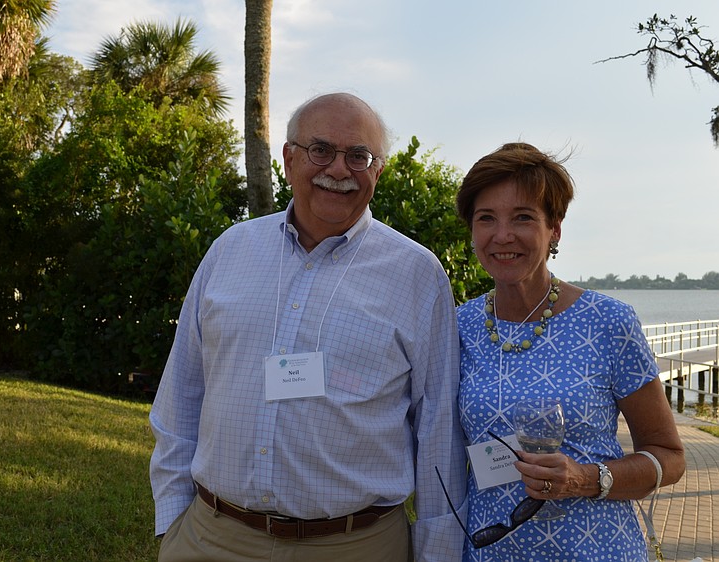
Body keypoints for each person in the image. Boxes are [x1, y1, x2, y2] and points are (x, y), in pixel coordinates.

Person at [148, 92, 466, 561]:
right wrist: (174, 520)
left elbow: (439, 428)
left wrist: (437, 554)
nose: (338, 169)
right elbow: (182, 392)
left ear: (377, 171)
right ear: (289, 158)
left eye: (358, 156)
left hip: (356, 546)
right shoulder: (231, 250)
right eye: (321, 150)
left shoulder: (417, 274)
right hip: (212, 537)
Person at [450, 142, 685, 560]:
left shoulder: (608, 321)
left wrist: (584, 478)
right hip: (492, 549)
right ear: (472, 230)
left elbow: (670, 456)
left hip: (597, 549)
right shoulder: (458, 326)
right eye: (487, 218)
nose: (502, 235)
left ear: (554, 228)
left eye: (523, 217)